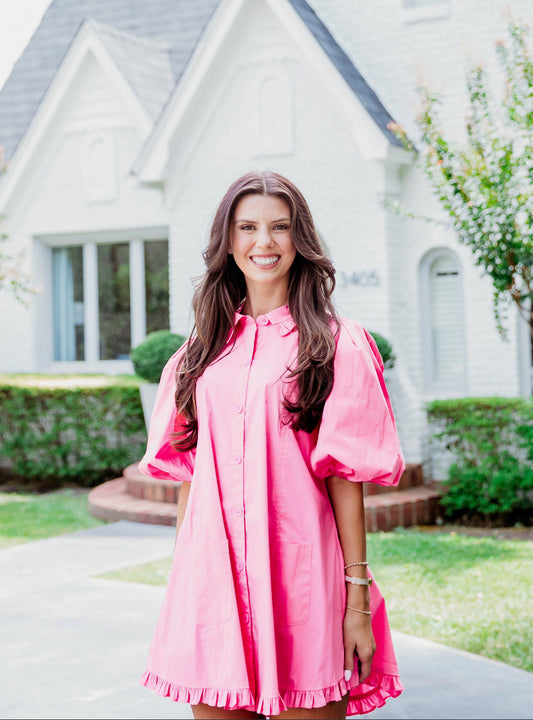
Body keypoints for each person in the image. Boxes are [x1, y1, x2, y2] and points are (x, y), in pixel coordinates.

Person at [139, 171, 405, 720]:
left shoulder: (335, 344)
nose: (264, 242)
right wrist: (184, 581)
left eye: (280, 227)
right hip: (212, 588)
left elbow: (343, 478)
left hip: (302, 584)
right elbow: (191, 474)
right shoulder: (198, 353)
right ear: (229, 241)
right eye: (249, 227)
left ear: (299, 239)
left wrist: (357, 600)